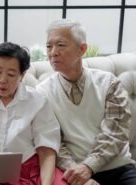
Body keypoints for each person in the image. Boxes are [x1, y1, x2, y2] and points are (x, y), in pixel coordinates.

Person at [36, 19, 136, 185]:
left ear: (82, 49)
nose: (53, 52)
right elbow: (53, 142)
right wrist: (76, 172)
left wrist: (88, 167)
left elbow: (115, 134)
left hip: (118, 168)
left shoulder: (110, 83)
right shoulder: (43, 92)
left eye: (60, 45)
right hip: (72, 172)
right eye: (49, 46)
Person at [0, 42, 68, 185]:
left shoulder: (37, 100)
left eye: (11, 74)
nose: (2, 80)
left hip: (30, 169)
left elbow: (46, 149)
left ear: (22, 75)